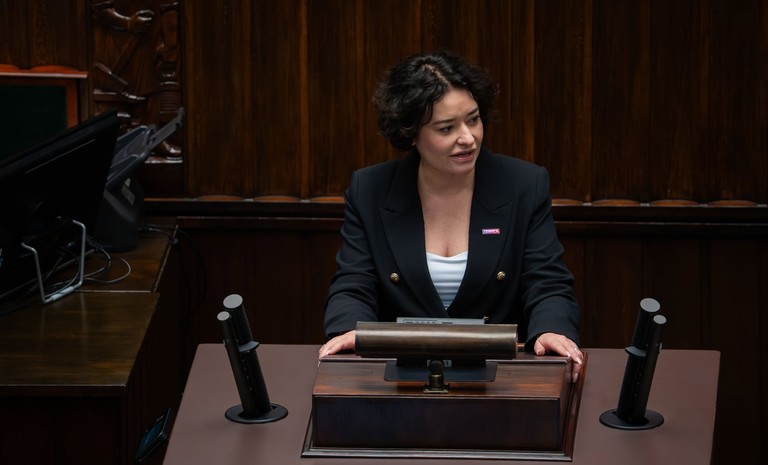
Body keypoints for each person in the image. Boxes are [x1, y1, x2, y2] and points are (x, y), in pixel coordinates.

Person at [319, 50, 583, 381]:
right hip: (400, 377)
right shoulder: (370, 189)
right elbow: (354, 282)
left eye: (473, 119)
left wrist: (551, 329)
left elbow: (547, 281)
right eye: (446, 128)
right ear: (410, 133)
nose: (468, 138)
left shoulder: (523, 184)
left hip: (500, 377)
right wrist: (349, 330)